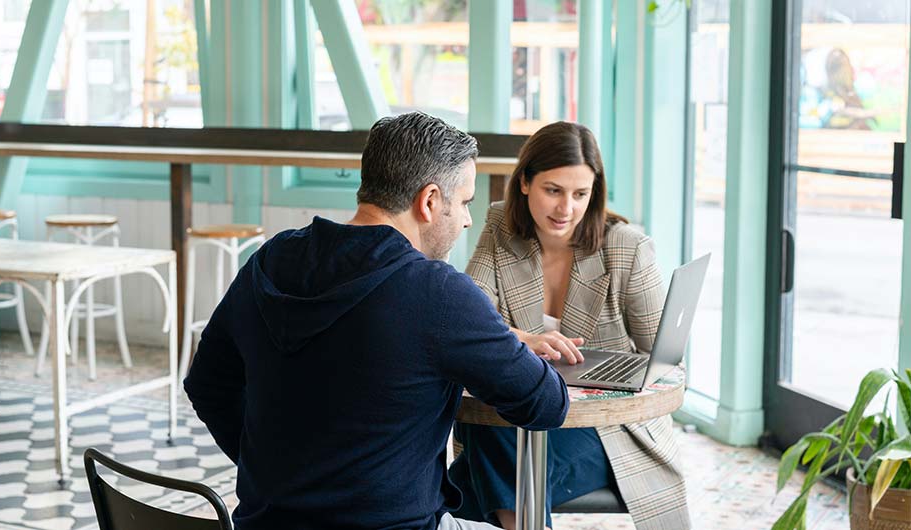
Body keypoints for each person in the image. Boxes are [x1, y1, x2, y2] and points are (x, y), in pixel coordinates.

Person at [183, 112, 570, 530]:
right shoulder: (438, 293)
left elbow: (206, 383)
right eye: (463, 202)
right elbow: (547, 404)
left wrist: (271, 474)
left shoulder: (271, 260)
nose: (467, 219)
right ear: (430, 201)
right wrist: (501, 339)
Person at [449, 121, 691, 530]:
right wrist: (525, 340)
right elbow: (466, 322)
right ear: (524, 182)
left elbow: (664, 362)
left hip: (607, 430)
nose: (566, 209)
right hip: (523, 415)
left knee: (458, 482)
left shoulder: (628, 247)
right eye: (553, 191)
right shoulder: (499, 226)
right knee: (491, 433)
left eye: (581, 194)